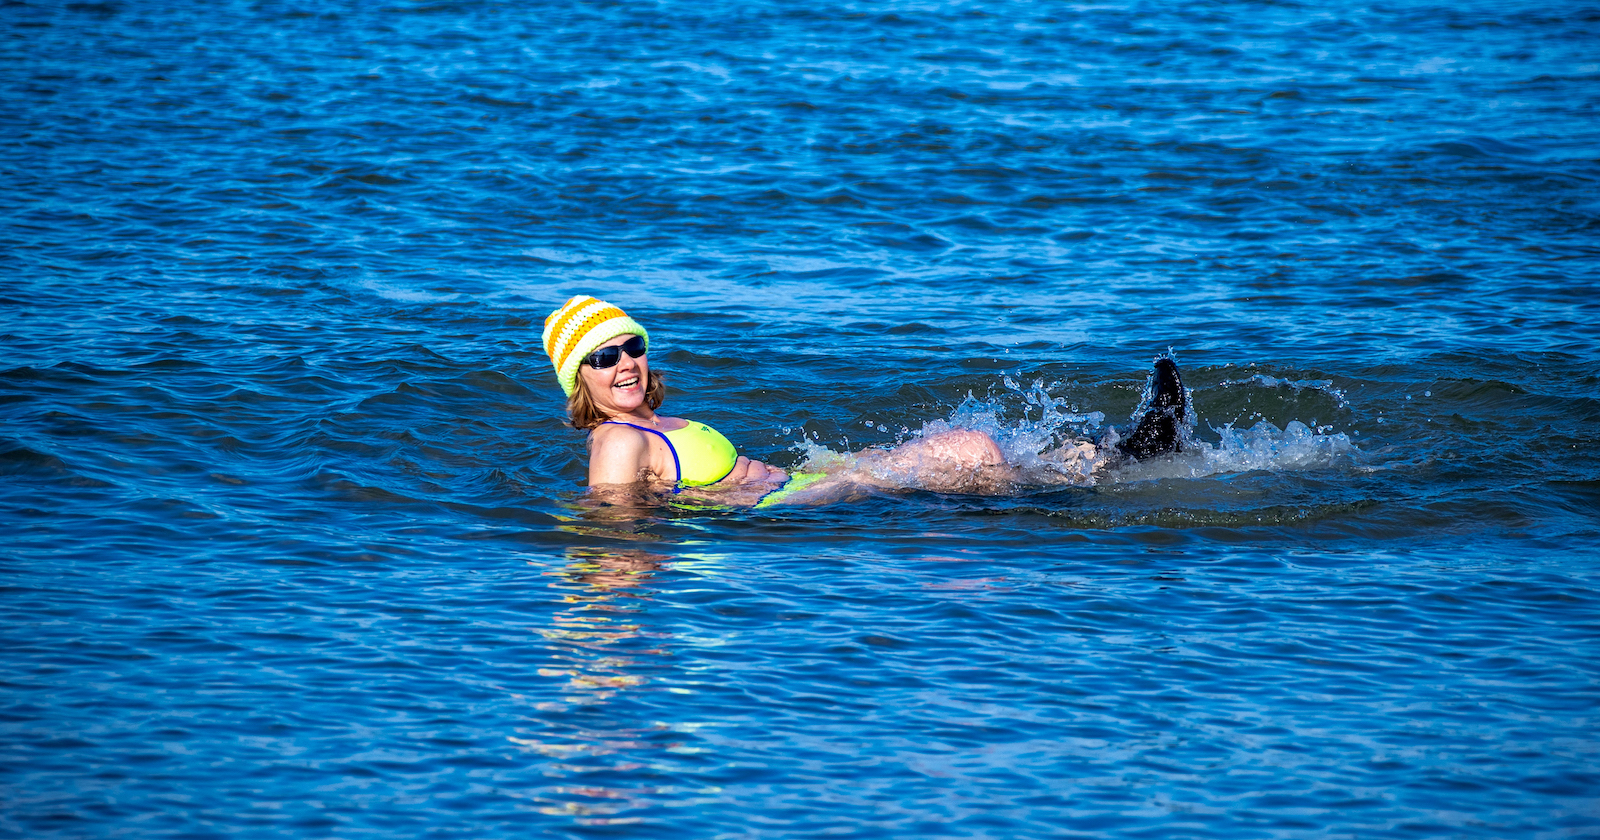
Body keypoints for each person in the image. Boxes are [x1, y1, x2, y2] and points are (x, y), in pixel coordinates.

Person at [543, 295, 1187, 507]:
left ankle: (1108, 458)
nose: (623, 364)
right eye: (602, 358)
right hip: (788, 503)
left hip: (799, 479)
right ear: (581, 379)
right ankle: (1113, 469)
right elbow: (615, 534)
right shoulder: (620, 439)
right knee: (974, 449)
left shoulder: (648, 422)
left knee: (972, 444)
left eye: (631, 347)